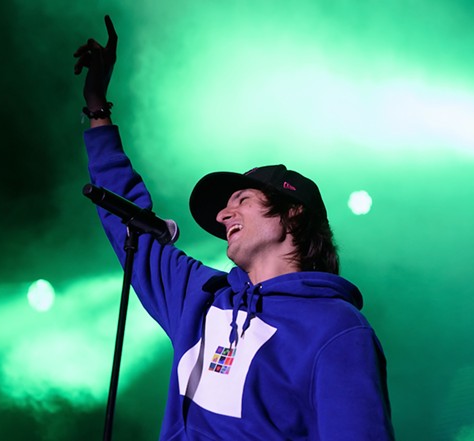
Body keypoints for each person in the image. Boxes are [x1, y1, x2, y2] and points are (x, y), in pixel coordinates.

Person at [74, 15, 394, 440]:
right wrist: (97, 106)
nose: (224, 216)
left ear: (292, 213)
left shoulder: (336, 329)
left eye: (241, 201)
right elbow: (124, 215)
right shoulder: (200, 298)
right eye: (225, 209)